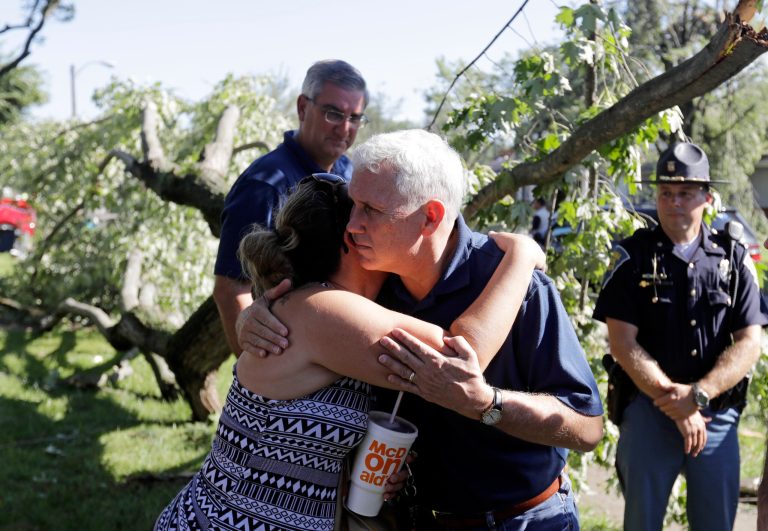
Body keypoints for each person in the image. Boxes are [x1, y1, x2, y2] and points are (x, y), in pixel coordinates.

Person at [240, 129, 604, 529]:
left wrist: (489, 405)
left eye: (370, 210)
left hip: (525, 520)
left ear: (430, 216)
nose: (352, 224)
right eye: (352, 205)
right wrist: (254, 315)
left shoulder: (519, 289)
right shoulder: (371, 290)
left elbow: (586, 428)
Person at [155, 174, 545, 530]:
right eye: (367, 219)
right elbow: (461, 359)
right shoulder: (327, 312)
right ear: (350, 240)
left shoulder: (312, 306)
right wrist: (521, 257)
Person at [593, 141, 768, 531]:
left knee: (715, 523)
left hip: (715, 412)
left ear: (707, 197)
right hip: (648, 408)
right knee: (642, 522)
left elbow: (749, 342)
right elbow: (622, 343)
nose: (674, 202)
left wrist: (698, 396)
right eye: (665, 193)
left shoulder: (733, 259)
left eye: (685, 194)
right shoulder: (631, 256)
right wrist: (672, 399)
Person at [213, 59, 368, 355]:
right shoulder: (265, 184)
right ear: (302, 108)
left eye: (355, 118)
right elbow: (231, 288)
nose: (345, 128)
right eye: (333, 113)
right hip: (286, 353)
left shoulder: (352, 176)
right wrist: (254, 371)